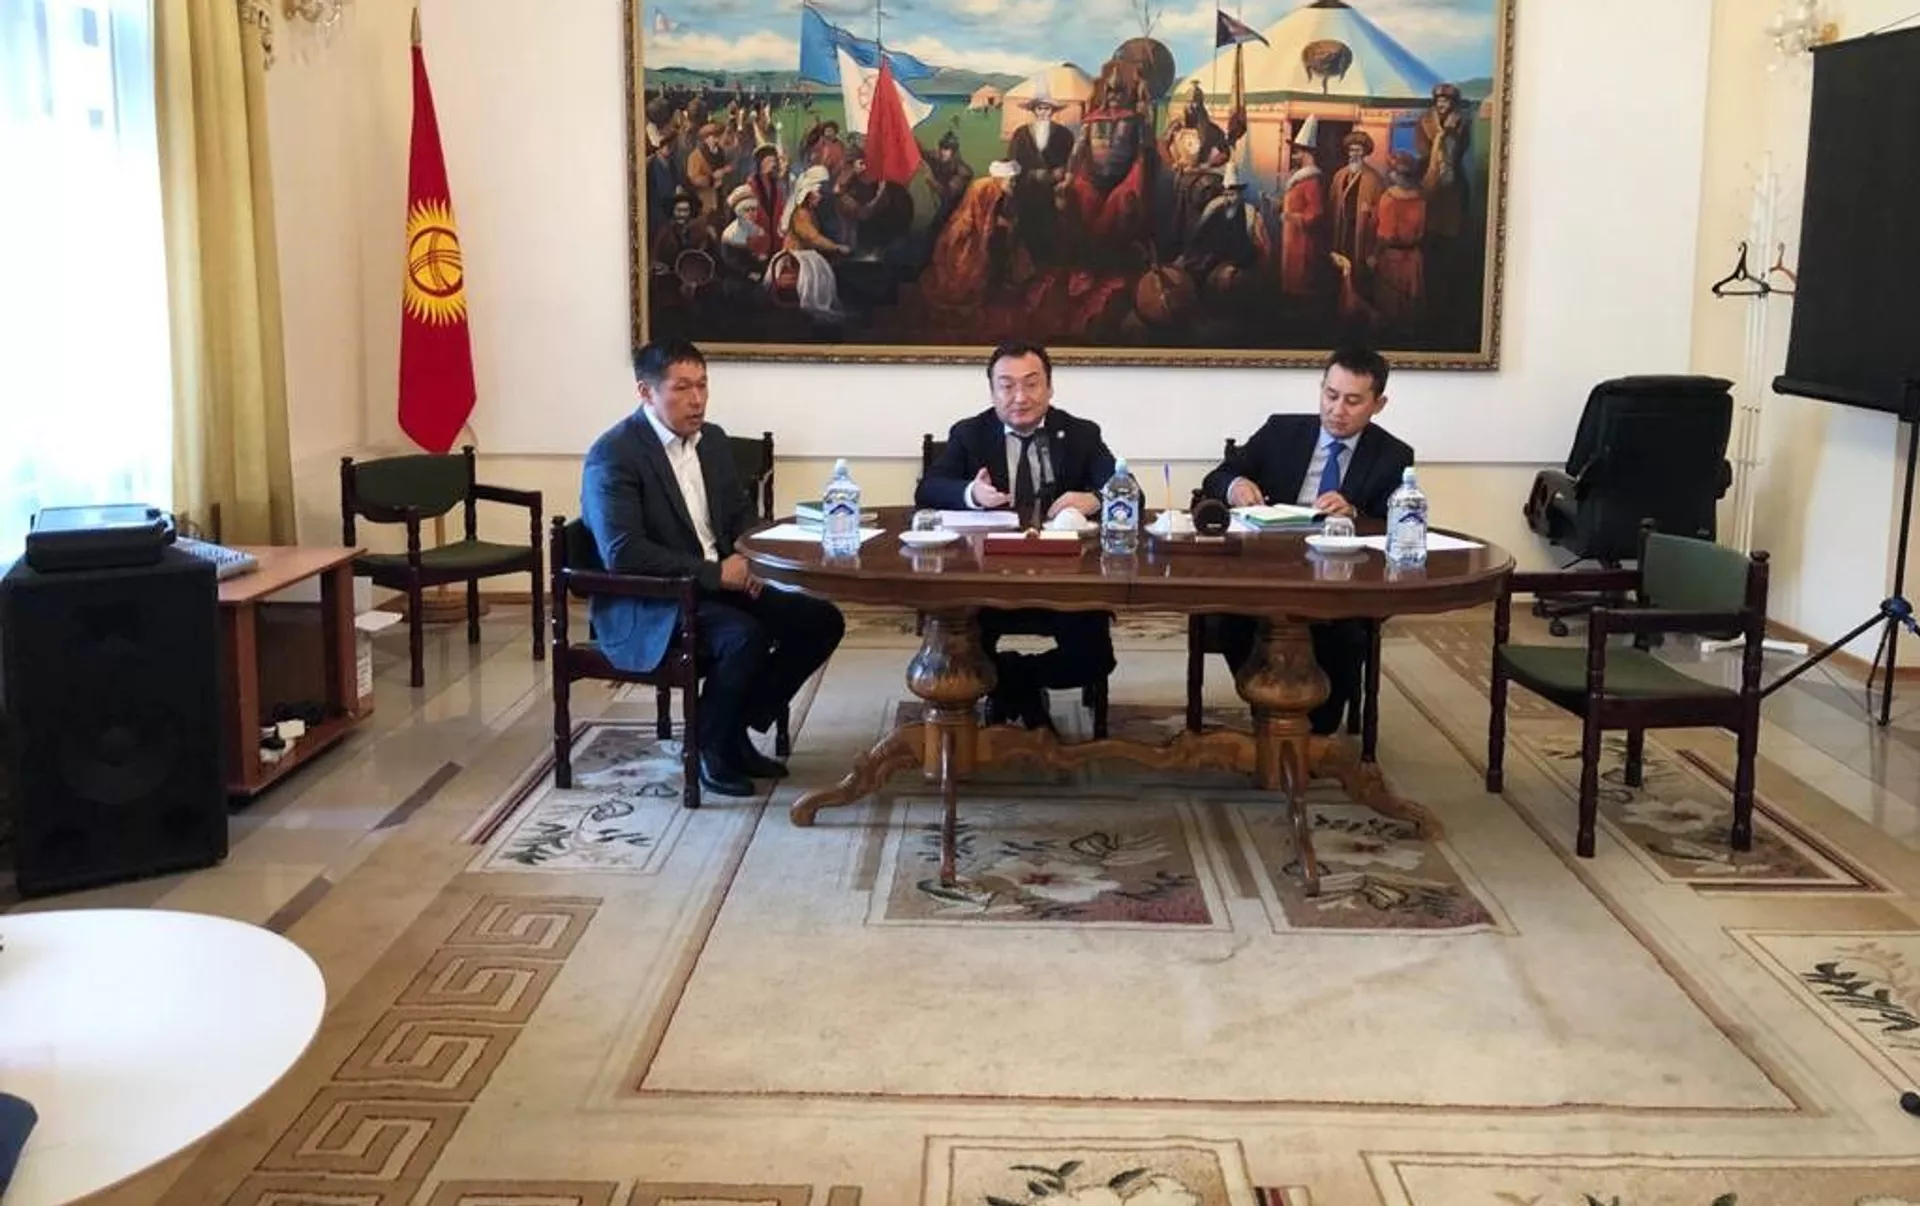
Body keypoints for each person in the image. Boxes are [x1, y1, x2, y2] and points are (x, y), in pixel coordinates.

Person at [580, 339, 845, 797]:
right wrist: (715, 574)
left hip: (716, 584)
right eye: (682, 388)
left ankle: (729, 727)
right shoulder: (614, 454)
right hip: (651, 599)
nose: (697, 399)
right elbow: (624, 553)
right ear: (646, 392)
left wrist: (756, 559)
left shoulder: (714, 441)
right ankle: (710, 746)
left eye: (702, 385)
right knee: (744, 636)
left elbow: (738, 514)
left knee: (821, 621)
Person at [1199, 347, 1415, 734]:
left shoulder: (1392, 455)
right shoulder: (1281, 432)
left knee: (1346, 635)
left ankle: (1317, 729)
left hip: (1341, 578)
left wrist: (1353, 513)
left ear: (1378, 404)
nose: (1337, 410)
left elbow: (1394, 523)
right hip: (1267, 567)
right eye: (1330, 395)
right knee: (1232, 619)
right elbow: (1218, 477)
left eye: (1353, 401)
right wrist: (1236, 485)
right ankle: (1267, 707)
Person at [915, 341, 1117, 729]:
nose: (1020, 398)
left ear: (1050, 388)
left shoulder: (1081, 434)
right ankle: (1023, 695)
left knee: (1094, 659)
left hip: (1067, 584)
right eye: (1006, 386)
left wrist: (1094, 498)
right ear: (992, 391)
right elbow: (929, 489)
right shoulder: (970, 434)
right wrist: (971, 494)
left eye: (1031, 384)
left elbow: (1128, 491)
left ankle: (1012, 683)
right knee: (957, 651)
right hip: (983, 583)